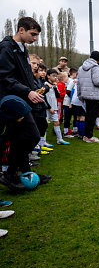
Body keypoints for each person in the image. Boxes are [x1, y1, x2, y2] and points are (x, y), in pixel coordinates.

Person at [0, 17, 51, 188]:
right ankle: (9, 173)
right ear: (21, 30)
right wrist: (27, 91)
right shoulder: (6, 48)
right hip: (11, 102)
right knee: (32, 136)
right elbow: (5, 77)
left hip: (22, 99)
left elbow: (25, 76)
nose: (35, 38)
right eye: (33, 34)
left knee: (19, 138)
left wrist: (33, 89)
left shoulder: (22, 49)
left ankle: (25, 173)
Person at [77, 51, 99, 143]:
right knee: (92, 116)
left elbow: (78, 82)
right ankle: (89, 136)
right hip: (93, 95)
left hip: (85, 94)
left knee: (88, 115)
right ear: (98, 59)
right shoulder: (95, 67)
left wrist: (80, 95)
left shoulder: (81, 67)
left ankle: (86, 135)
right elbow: (97, 82)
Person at [44, 69, 69, 145]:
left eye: (56, 76)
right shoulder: (45, 84)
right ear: (48, 76)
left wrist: (55, 87)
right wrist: (48, 107)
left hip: (54, 107)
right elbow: (44, 97)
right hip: (47, 107)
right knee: (44, 124)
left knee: (57, 122)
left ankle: (60, 139)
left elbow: (58, 95)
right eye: (53, 76)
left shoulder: (55, 85)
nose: (55, 78)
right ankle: (43, 141)